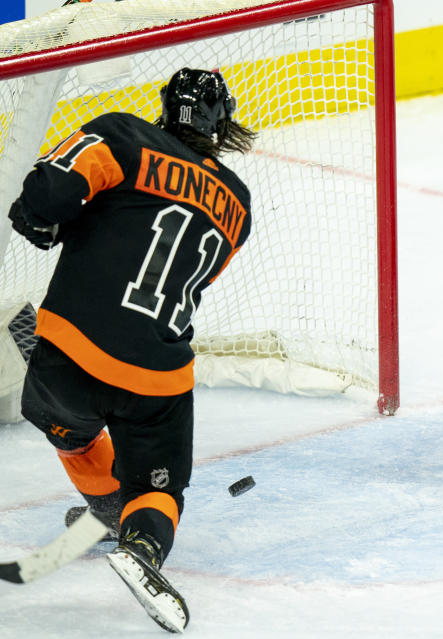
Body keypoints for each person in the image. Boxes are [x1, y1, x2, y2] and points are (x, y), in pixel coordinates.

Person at [7, 67, 255, 633]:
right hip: (155, 377)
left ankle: (105, 508)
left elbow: (46, 196)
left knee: (65, 424)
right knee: (157, 489)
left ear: (164, 107)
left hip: (64, 359)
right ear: (220, 124)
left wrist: (43, 222)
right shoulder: (237, 205)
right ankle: (140, 544)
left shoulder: (123, 135)